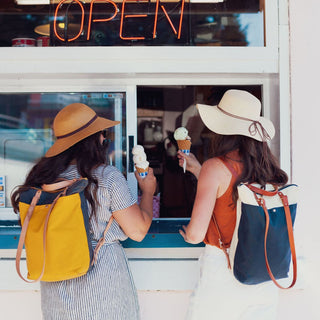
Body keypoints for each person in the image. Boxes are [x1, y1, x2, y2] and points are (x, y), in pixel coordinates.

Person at [11, 103, 156, 320]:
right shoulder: (106, 176)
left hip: (55, 294)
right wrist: (147, 191)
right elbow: (138, 230)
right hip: (102, 292)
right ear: (94, 140)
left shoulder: (41, 180)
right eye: (102, 135)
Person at [177, 89, 288, 320]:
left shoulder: (215, 167)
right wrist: (199, 169)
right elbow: (234, 196)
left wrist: (187, 234)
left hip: (223, 273)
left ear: (221, 129)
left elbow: (196, 234)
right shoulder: (270, 170)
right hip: (265, 276)